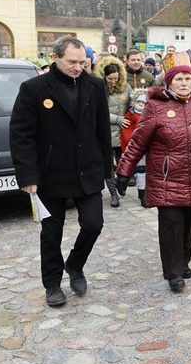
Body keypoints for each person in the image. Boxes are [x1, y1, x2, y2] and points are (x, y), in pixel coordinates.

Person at [10, 35, 112, 307]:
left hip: (87, 171)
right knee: (51, 232)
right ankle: (52, 284)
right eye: (72, 62)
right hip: (50, 174)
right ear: (55, 58)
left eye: (83, 62)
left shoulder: (95, 85)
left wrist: (107, 169)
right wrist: (28, 176)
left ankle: (75, 265)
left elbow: (102, 129)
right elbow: (21, 136)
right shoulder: (34, 88)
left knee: (93, 224)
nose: (78, 67)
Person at [115, 52, 191, 292]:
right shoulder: (155, 106)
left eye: (188, 78)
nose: (184, 83)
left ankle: (183, 261)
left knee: (188, 225)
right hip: (167, 177)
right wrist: (124, 171)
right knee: (171, 225)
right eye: (179, 79)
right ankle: (173, 272)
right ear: (169, 81)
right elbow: (137, 142)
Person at [93, 56, 133, 208]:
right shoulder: (97, 88)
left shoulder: (125, 87)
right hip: (105, 132)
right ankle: (113, 194)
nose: (113, 82)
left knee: (124, 161)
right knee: (108, 164)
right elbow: (97, 111)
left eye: (116, 78)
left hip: (123, 132)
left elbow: (132, 103)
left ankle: (121, 183)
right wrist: (117, 119)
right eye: (110, 79)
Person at [119, 89, 148, 207]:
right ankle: (121, 182)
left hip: (145, 148)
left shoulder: (149, 115)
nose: (141, 105)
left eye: (143, 103)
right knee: (130, 169)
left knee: (142, 171)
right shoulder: (130, 115)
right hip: (133, 147)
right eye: (139, 102)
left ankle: (142, 194)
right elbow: (127, 132)